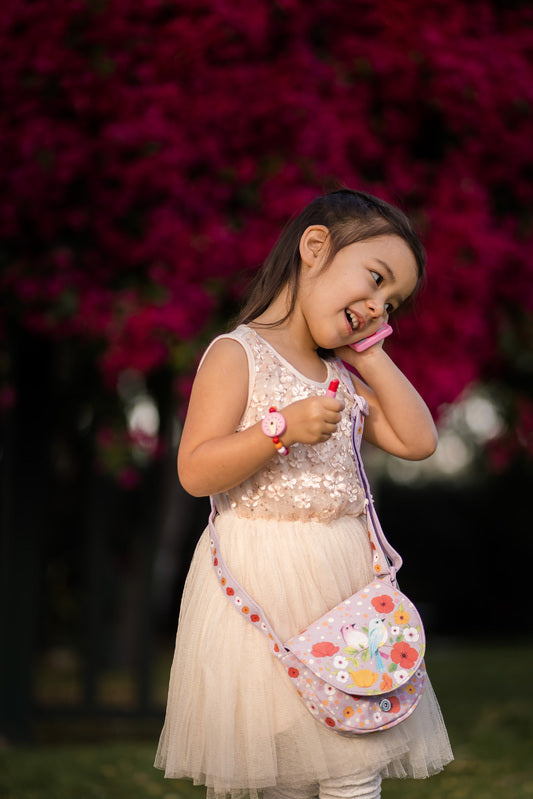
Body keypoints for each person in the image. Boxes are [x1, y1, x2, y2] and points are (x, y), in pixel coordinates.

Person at [155, 189, 453, 799]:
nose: (377, 307)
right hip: (262, 586)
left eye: (391, 304)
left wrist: (372, 356)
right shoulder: (237, 354)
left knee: (353, 764)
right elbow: (196, 470)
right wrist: (279, 429)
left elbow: (418, 440)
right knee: (279, 767)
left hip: (340, 586)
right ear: (314, 247)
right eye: (376, 279)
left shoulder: (341, 376)